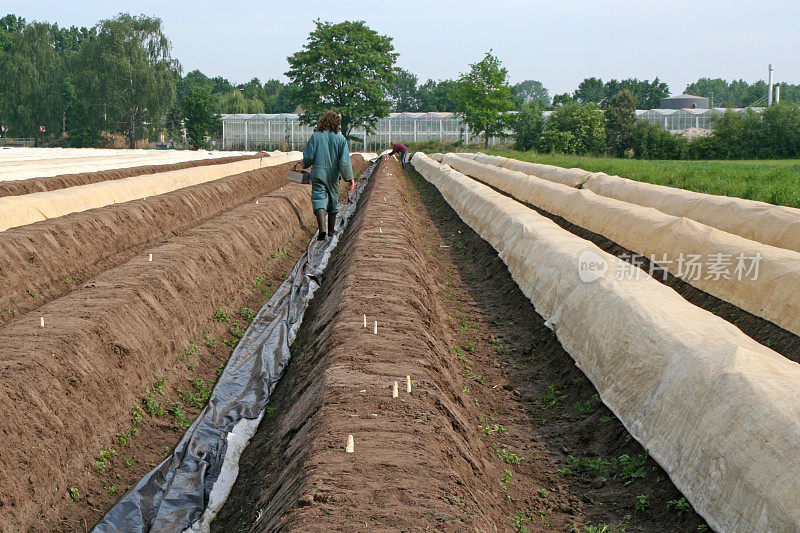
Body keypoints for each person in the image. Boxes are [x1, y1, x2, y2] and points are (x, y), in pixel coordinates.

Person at [302, 111, 355, 240]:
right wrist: (349, 178)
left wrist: (305, 164)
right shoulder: (341, 139)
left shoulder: (315, 137)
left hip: (318, 173)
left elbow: (308, 156)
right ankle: (331, 231)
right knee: (333, 199)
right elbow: (344, 161)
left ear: (323, 121)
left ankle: (322, 230)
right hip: (333, 175)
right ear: (337, 124)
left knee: (318, 197)